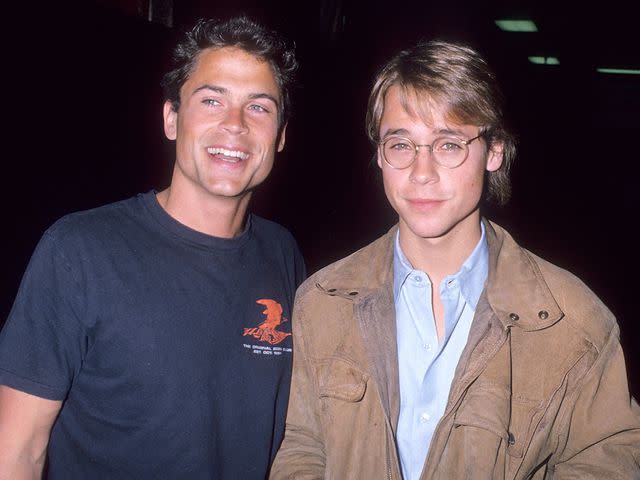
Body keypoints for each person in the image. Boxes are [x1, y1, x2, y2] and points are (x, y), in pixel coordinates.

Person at [270, 40, 640, 479]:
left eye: (448, 145)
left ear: (494, 151)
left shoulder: (574, 321)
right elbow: (303, 446)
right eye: (401, 145)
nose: (421, 172)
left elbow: (611, 456)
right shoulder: (321, 303)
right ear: (379, 155)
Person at [0, 15, 305, 479]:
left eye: (259, 108)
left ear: (279, 137)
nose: (235, 125)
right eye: (211, 100)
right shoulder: (79, 251)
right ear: (171, 118)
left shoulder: (283, 255)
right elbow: (16, 450)